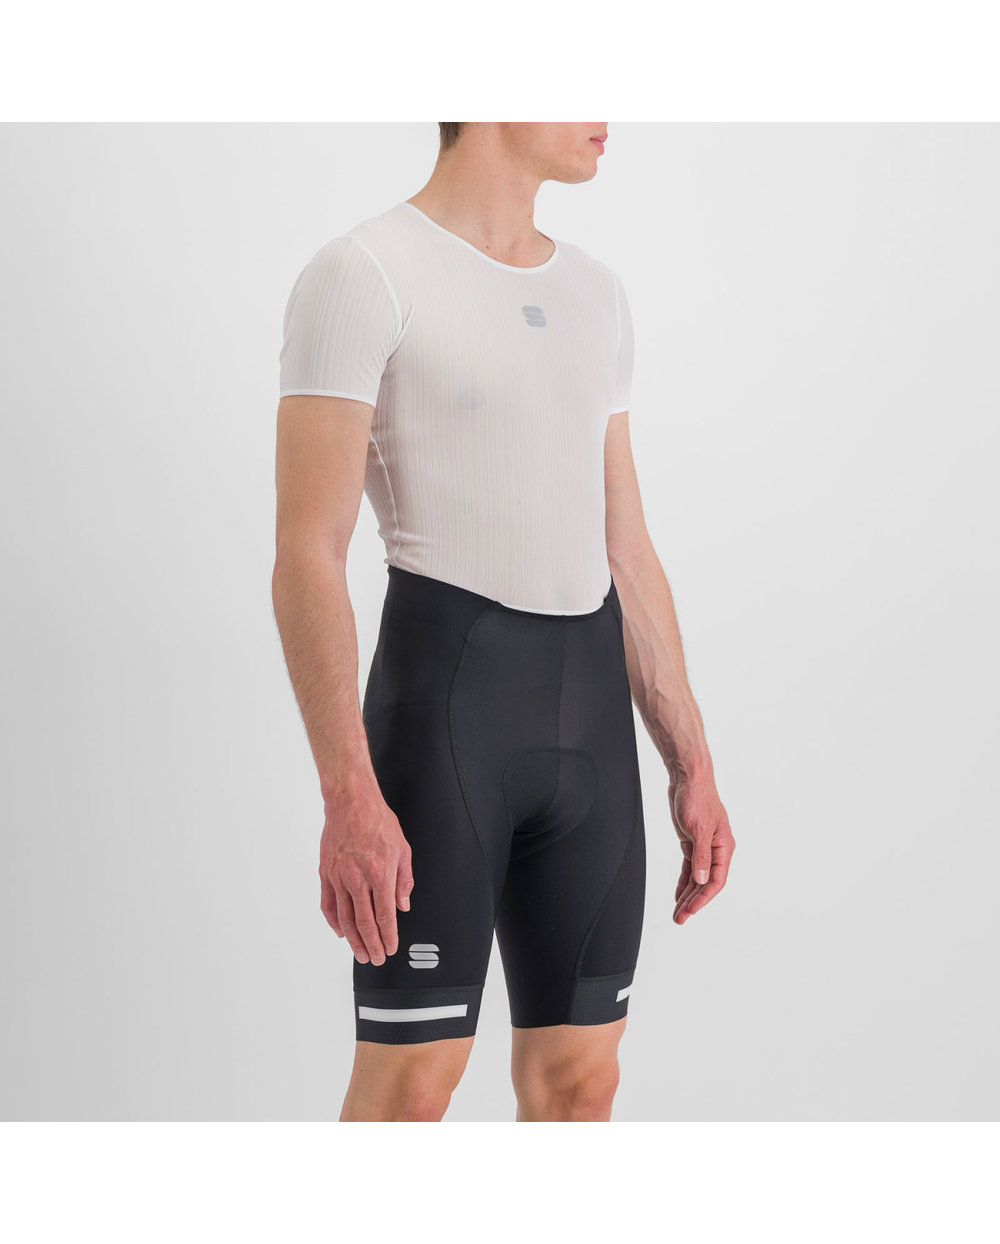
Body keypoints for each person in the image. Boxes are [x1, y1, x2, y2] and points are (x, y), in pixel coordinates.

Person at [271, 122, 735, 1122]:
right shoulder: (362, 274)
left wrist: (689, 759)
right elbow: (307, 551)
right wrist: (346, 790)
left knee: (582, 1082)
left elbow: (625, 545)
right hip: (445, 729)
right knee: (410, 1088)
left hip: (591, 737)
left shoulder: (596, 293)